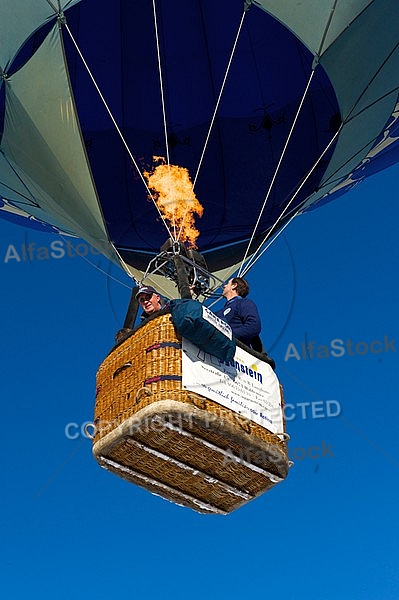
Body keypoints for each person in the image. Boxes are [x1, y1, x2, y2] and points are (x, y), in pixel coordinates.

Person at [215, 277, 261, 348]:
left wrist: (227, 335)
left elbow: (253, 326)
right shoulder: (219, 313)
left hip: (233, 352)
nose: (224, 286)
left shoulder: (244, 303)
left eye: (227, 284)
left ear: (234, 285)